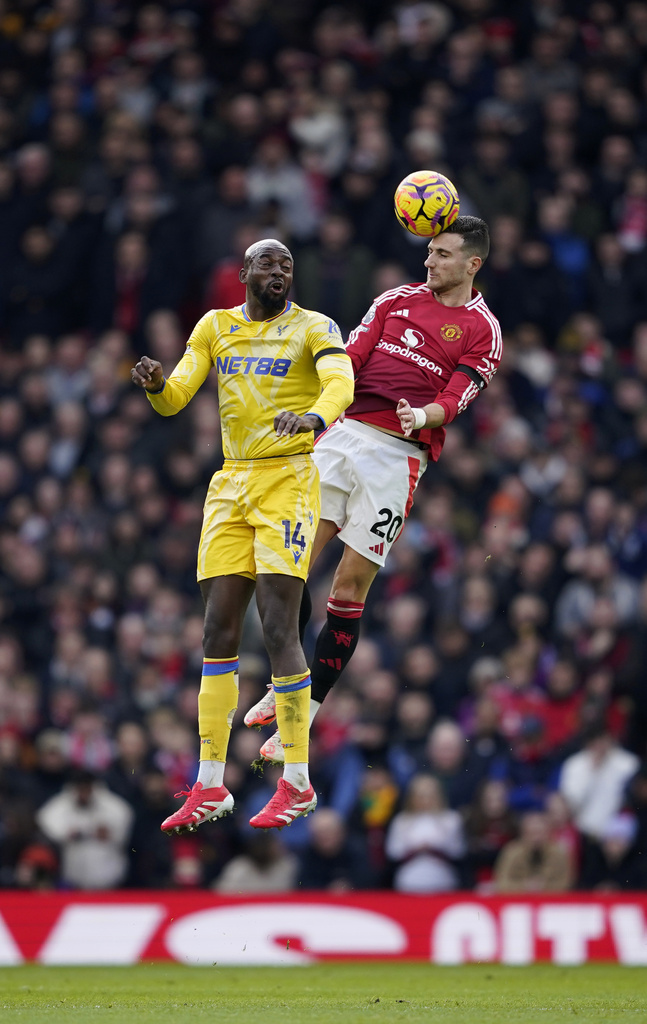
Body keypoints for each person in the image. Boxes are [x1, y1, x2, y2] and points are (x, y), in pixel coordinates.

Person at [245, 216, 503, 762]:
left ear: (472, 265)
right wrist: (315, 408)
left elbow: (457, 399)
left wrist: (421, 415)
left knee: (349, 588)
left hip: (399, 458)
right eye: (429, 251)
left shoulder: (483, 329)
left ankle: (304, 711)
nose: (429, 262)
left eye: (442, 255)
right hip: (343, 439)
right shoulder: (394, 301)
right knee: (288, 567)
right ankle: (287, 681)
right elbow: (350, 358)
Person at [130, 238, 354, 833]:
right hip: (230, 483)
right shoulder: (215, 327)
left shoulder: (314, 326)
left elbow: (341, 383)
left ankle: (298, 782)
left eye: (287, 264)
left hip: (288, 479)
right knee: (216, 628)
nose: (279, 271)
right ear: (244, 274)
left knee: (279, 624)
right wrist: (156, 385)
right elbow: (176, 399)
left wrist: (313, 419)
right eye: (268, 263)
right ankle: (209, 784)